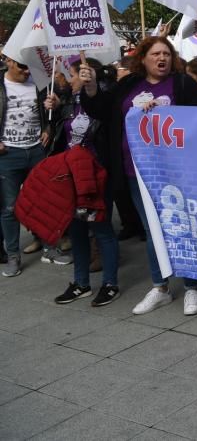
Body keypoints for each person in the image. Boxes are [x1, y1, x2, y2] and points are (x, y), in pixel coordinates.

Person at [80, 36, 197, 315]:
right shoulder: (128, 85)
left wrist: (164, 112)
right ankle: (160, 286)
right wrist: (90, 87)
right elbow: (100, 109)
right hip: (135, 170)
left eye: (166, 53)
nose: (161, 58)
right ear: (143, 58)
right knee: (152, 229)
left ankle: (191, 287)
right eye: (155, 54)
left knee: (179, 226)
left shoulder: (183, 84)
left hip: (174, 172)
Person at [44, 58, 120, 306]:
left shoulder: (105, 99)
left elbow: (106, 118)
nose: (70, 79)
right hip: (70, 175)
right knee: (76, 229)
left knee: (101, 228)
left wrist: (92, 88)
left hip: (96, 174)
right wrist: (52, 111)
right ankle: (81, 283)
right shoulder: (67, 102)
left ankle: (110, 284)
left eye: (74, 74)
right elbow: (60, 134)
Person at [0, 54, 60, 277]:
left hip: (36, 150)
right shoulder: (1, 85)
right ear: (8, 61)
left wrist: (48, 127)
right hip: (9, 155)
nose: (27, 71)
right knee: (9, 207)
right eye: (22, 67)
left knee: (43, 201)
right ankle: (13, 256)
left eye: (28, 67)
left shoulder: (39, 84)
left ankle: (49, 248)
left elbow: (52, 114)